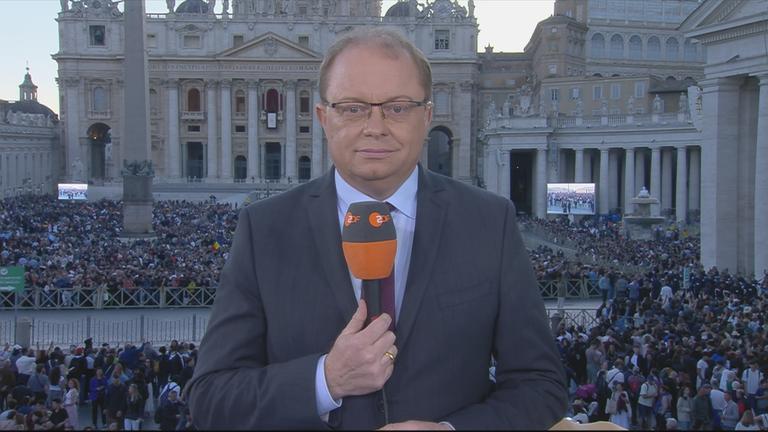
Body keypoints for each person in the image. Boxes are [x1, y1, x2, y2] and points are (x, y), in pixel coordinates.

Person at [185, 26, 568, 430]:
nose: (375, 126)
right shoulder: (264, 229)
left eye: (398, 107)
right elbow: (211, 398)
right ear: (323, 117)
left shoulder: (490, 222)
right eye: (352, 107)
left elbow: (541, 385)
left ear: (427, 116)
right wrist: (325, 379)